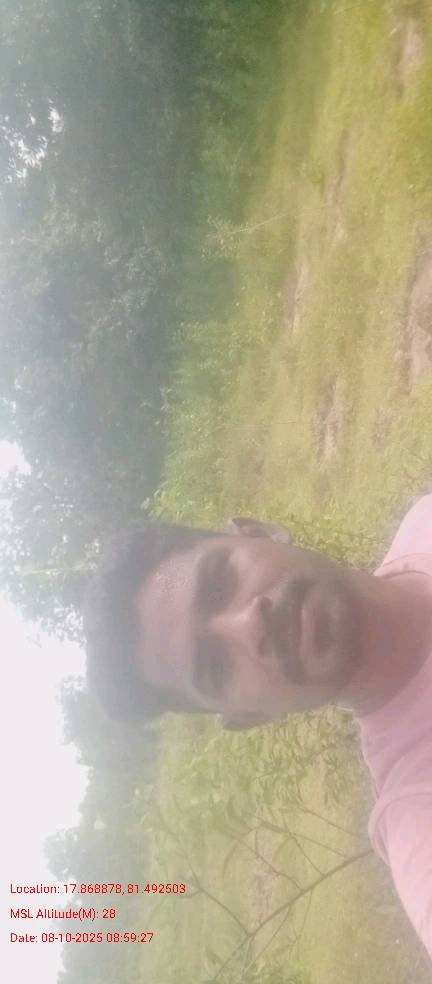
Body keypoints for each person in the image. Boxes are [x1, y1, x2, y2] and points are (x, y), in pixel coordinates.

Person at [84, 492, 432, 958]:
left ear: (261, 532)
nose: (249, 625)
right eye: (216, 666)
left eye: (219, 583)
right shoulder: (418, 820)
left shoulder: (423, 520)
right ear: (253, 715)